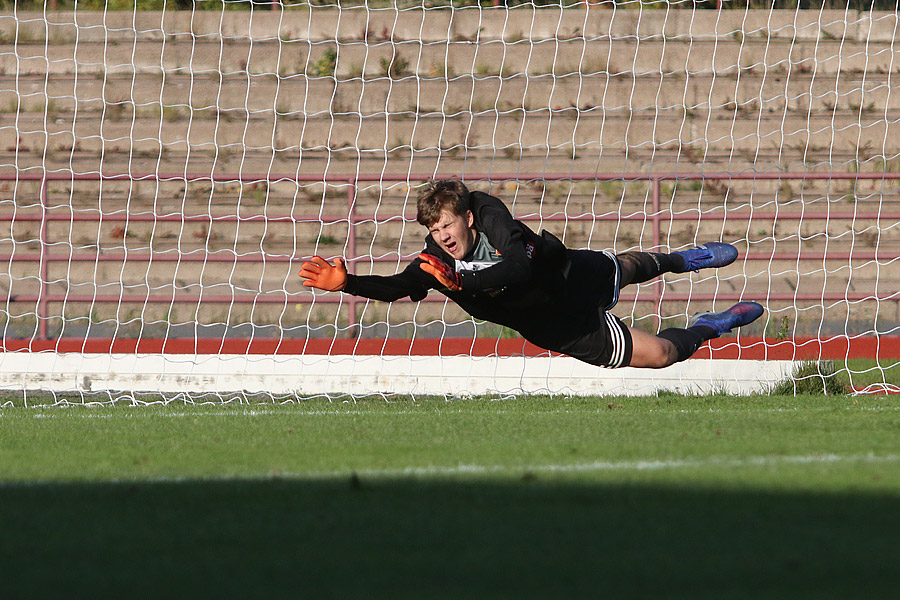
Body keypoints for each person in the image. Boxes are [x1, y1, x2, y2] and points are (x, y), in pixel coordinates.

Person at [298, 179, 763, 369]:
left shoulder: (489, 211)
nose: (441, 236)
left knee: (632, 266)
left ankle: (688, 258)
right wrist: (351, 284)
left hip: (562, 276)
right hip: (558, 325)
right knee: (661, 354)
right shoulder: (438, 261)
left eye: (447, 225)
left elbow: (520, 266)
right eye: (433, 229)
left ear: (467, 217)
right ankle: (711, 325)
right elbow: (403, 285)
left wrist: (468, 283)